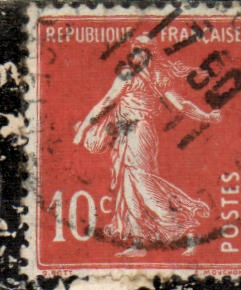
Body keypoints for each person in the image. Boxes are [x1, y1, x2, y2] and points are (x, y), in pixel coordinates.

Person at [72, 36, 221, 255]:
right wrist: (207, 117)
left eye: (136, 51)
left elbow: (181, 105)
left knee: (143, 184)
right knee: (129, 186)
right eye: (131, 51)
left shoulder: (143, 77)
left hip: (138, 133)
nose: (131, 56)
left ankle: (184, 225)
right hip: (130, 135)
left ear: (147, 54)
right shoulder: (147, 76)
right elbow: (105, 103)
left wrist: (207, 116)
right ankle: (139, 242)